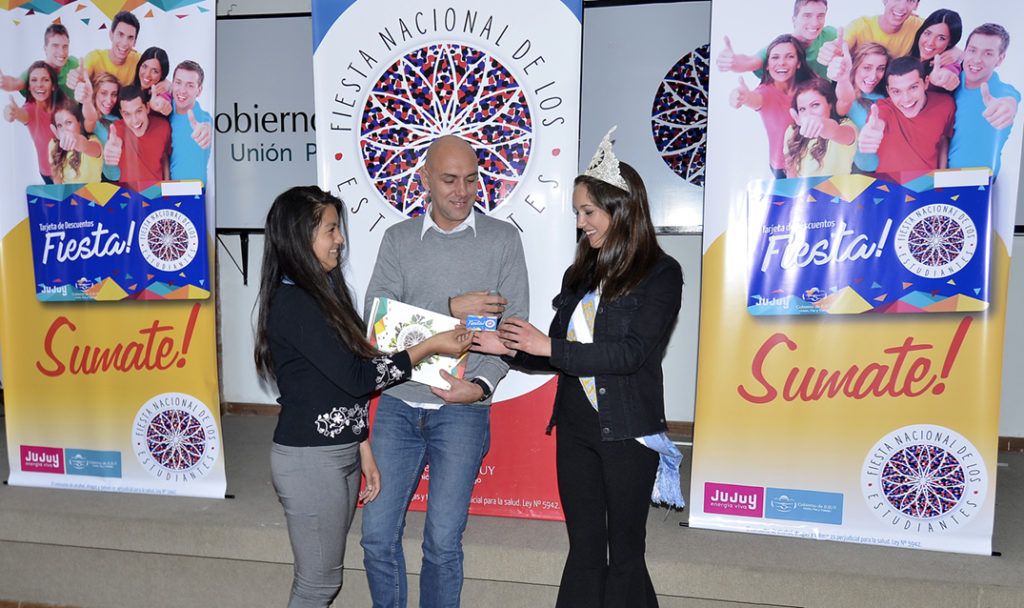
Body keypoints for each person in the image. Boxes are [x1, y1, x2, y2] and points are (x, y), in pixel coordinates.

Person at [474, 128, 684, 608]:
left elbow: (629, 354)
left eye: (588, 212)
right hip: (575, 430)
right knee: (585, 550)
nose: (580, 223)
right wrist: (508, 347)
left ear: (620, 209)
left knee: (625, 554)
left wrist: (548, 345)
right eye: (577, 213)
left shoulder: (661, 273)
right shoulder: (580, 274)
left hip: (628, 432)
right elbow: (554, 354)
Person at [254, 186, 473, 608]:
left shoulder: (325, 294)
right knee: (317, 585)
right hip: (309, 461)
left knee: (323, 580)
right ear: (299, 236)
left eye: (338, 229)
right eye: (330, 230)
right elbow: (359, 378)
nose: (340, 240)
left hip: (339, 455)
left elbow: (337, 385)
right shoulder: (295, 303)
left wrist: (362, 446)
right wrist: (428, 346)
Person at [360, 134, 529, 608]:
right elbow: (377, 320)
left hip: (463, 411)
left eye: (471, 180)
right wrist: (450, 307)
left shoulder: (502, 240)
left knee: (442, 543)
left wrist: (479, 386)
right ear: (425, 180)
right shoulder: (398, 239)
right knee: (376, 537)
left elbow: (512, 329)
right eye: (450, 180)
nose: (462, 191)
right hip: (398, 404)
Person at [729, 34, 815, 178]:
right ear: (767, 66)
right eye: (775, 57)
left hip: (813, 163)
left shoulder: (811, 87)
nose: (782, 63)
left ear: (798, 63)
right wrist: (741, 96)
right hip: (783, 168)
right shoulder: (765, 92)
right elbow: (753, 99)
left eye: (789, 57)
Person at [857, 56, 955, 174]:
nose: (906, 99)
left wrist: (942, 173)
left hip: (929, 181)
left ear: (926, 83)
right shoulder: (882, 109)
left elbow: (943, 138)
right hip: (890, 183)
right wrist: (871, 132)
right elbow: (877, 122)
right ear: (888, 91)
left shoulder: (946, 104)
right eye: (896, 91)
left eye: (913, 87)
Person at [948, 23, 1021, 178]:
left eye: (988, 53)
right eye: (972, 50)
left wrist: (1007, 107)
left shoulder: (1001, 92)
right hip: (937, 177)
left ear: (1000, 59)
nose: (977, 60)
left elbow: (1009, 100)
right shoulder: (951, 81)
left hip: (978, 182)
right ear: (965, 52)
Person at [716, 0, 838, 80]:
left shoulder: (830, 34)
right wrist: (732, 62)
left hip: (830, 100)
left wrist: (840, 52)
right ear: (794, 19)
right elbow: (750, 62)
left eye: (820, 16)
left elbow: (846, 46)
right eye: (807, 15)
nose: (815, 23)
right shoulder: (780, 48)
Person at [830, 42, 890, 172]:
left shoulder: (886, 96)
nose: (873, 76)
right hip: (861, 169)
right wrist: (843, 79)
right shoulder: (848, 98)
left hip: (890, 166)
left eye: (880, 68)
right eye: (867, 68)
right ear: (855, 67)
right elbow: (843, 101)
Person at [3, 61, 63, 183]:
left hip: (72, 170)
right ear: (29, 87)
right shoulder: (29, 109)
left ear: (53, 86)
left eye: (45, 80)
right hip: (50, 173)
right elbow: (21, 114)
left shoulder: (63, 105)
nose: (39, 84)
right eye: (34, 80)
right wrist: (12, 112)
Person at [784, 78, 857, 177]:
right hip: (803, 187)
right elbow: (790, 171)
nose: (809, 114)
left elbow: (835, 131)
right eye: (802, 109)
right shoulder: (792, 131)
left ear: (830, 104)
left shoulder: (846, 126)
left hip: (837, 187)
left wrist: (822, 124)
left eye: (815, 105)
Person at [818, 0, 923, 65]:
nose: (902, 7)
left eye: (910, 0)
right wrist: (831, 51)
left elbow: (934, 27)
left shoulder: (919, 26)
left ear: (916, 5)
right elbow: (842, 44)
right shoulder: (860, 26)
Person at [104, 85, 171, 187]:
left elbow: (164, 156)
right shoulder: (117, 130)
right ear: (122, 114)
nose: (134, 120)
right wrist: (111, 149)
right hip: (129, 192)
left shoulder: (163, 126)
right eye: (127, 114)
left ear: (147, 108)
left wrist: (167, 183)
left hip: (157, 190)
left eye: (138, 111)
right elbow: (113, 143)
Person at [0, 24, 79, 100]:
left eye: (65, 46)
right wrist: (4, 82)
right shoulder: (37, 71)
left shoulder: (73, 62)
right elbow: (17, 83)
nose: (61, 52)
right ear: (45, 48)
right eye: (55, 46)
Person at [168, 60, 213, 182]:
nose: (182, 90)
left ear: (199, 90)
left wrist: (206, 132)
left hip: (192, 190)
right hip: (161, 188)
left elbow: (207, 127)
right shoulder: (164, 111)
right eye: (178, 82)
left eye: (190, 85)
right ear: (172, 84)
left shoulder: (204, 120)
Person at [76, 10, 141, 87]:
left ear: (134, 42)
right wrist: (77, 80)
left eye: (130, 37)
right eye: (120, 34)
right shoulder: (94, 58)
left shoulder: (138, 60)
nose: (124, 43)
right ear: (111, 35)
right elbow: (82, 77)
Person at [78, 71, 121, 182]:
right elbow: (89, 121)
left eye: (114, 94)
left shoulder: (116, 117)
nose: (109, 100)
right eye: (103, 93)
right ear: (95, 93)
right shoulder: (92, 121)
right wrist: (87, 101)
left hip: (128, 174)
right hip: (109, 178)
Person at [48, 97, 102, 184]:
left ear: (79, 123)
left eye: (68, 123)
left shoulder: (93, 142)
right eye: (59, 125)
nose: (64, 130)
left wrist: (76, 140)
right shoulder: (53, 145)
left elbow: (85, 145)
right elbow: (57, 180)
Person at [909, 9, 963, 92]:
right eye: (928, 33)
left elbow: (950, 70)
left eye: (941, 38)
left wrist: (946, 77)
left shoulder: (948, 62)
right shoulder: (909, 50)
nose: (930, 42)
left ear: (950, 42)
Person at [132, 46, 172, 116]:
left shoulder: (161, 91)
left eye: (154, 71)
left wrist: (159, 104)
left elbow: (163, 100)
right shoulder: (133, 86)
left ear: (162, 75)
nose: (147, 74)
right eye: (145, 66)